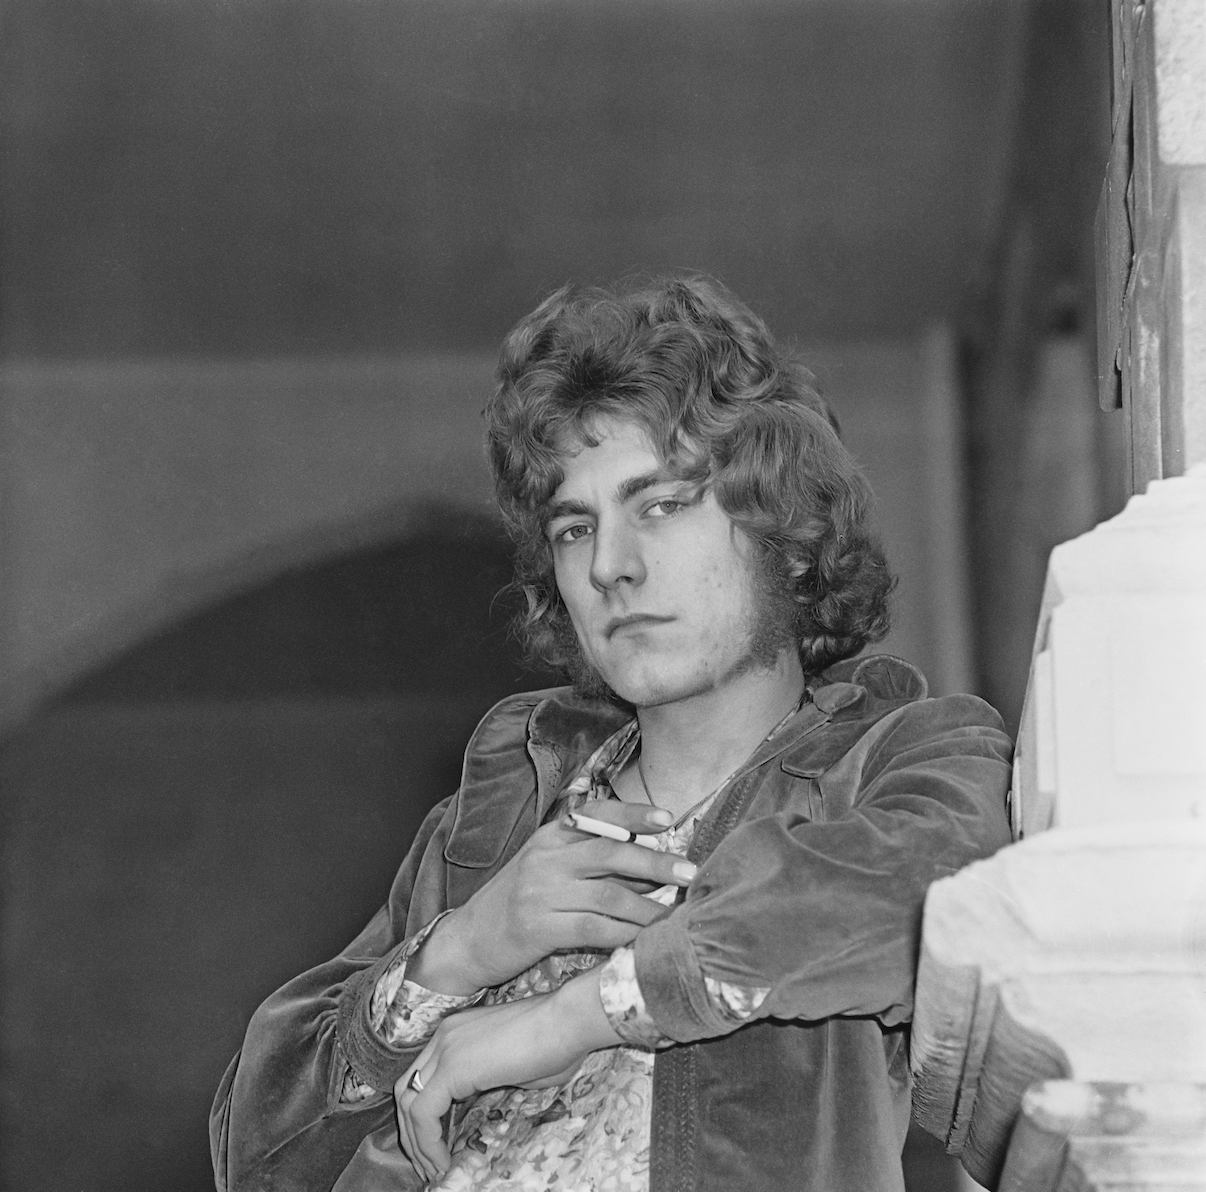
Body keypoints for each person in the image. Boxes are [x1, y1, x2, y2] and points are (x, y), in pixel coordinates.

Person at [210, 275, 1013, 1192]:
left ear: (783, 531)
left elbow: (936, 896)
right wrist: (462, 950)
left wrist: (574, 1016)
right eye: (573, 528)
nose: (609, 567)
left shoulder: (899, 759)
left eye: (660, 505)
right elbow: (254, 1155)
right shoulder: (496, 824)